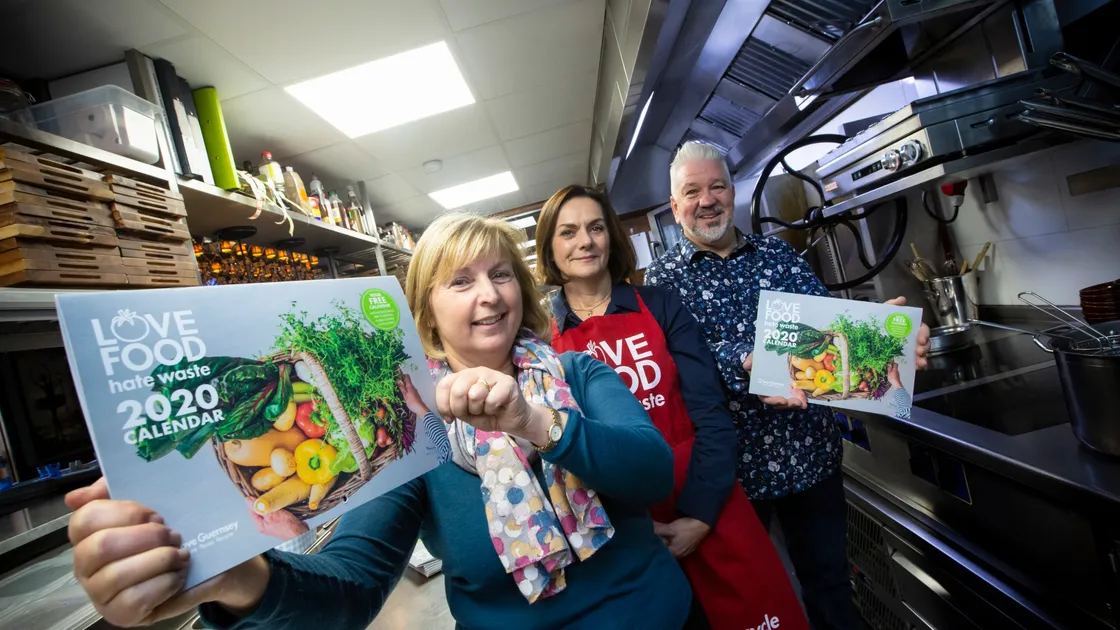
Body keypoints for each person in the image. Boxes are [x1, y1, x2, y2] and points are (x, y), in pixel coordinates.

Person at [65, 212, 693, 629]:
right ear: (425, 315)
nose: (489, 295)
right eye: (460, 281)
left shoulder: (577, 374)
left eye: (501, 274)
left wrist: (533, 420)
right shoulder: (412, 433)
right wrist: (238, 577)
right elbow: (353, 584)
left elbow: (650, 474)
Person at [644, 141, 931, 630]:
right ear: (675, 206)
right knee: (762, 604)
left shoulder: (779, 254)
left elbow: (831, 331)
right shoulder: (661, 282)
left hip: (811, 457)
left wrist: (884, 341)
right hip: (734, 478)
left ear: (732, 192)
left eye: (716, 186)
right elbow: (676, 370)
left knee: (831, 589)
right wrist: (747, 364)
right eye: (692, 191)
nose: (706, 199)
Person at [535, 185, 808, 630]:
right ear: (550, 246)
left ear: (612, 237)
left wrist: (700, 515)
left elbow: (712, 413)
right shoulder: (541, 339)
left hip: (704, 495)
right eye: (568, 232)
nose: (584, 241)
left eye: (596, 227)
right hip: (620, 528)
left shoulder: (660, 304)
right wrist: (633, 532)